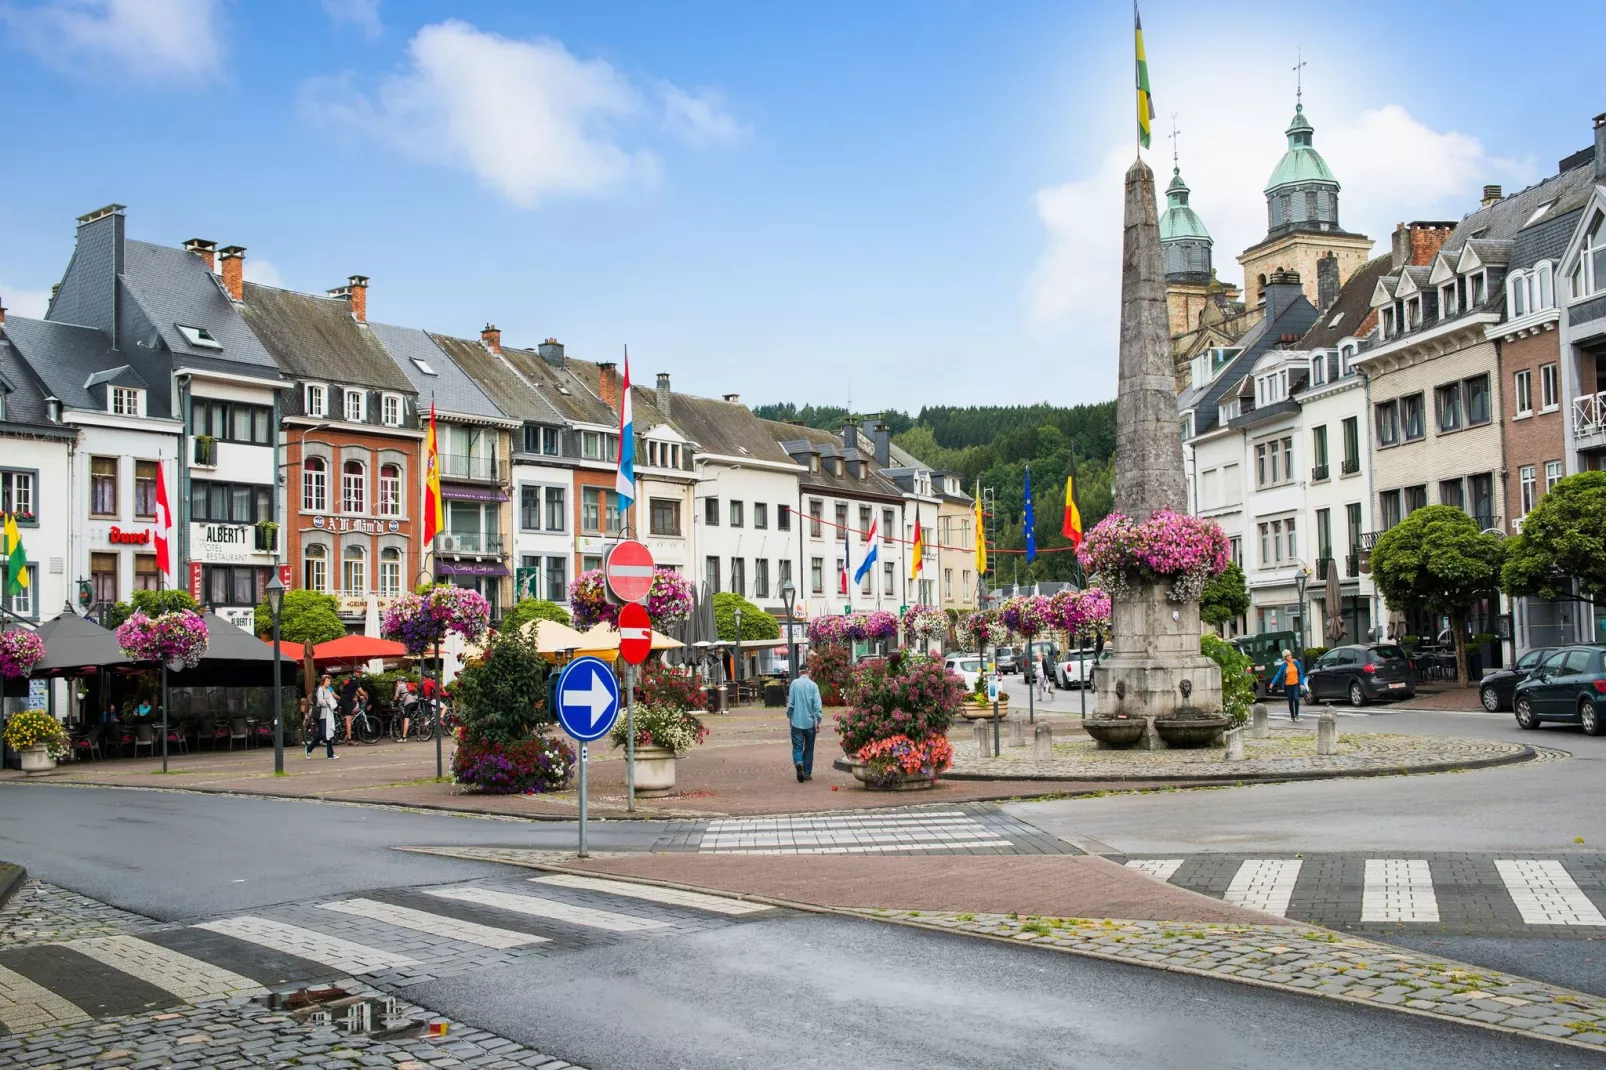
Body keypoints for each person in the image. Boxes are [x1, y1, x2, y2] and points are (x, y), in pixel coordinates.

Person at [785, 663, 823, 783]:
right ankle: (807, 773)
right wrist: (819, 720)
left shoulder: (794, 684)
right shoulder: (813, 685)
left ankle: (798, 762)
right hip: (810, 722)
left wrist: (789, 716)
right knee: (809, 748)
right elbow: (817, 705)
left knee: (797, 746)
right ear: (809, 672)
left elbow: (791, 704)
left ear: (799, 672)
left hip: (796, 721)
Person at [306, 674, 339, 759]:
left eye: (329, 680)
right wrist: (328, 703)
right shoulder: (320, 689)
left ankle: (330, 754)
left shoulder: (328, 690)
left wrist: (329, 702)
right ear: (323, 681)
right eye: (327, 680)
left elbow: (332, 700)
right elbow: (320, 701)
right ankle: (309, 748)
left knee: (328, 733)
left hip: (328, 714)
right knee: (322, 734)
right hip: (321, 715)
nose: (329, 682)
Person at [1280, 650, 1307, 721]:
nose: (1289, 657)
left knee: (1296, 698)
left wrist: (1301, 683)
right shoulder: (1284, 665)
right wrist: (1272, 683)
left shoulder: (1295, 662)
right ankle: (1292, 715)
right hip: (1288, 685)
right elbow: (1278, 674)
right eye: (1287, 656)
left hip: (1295, 684)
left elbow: (1300, 673)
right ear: (1285, 657)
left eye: (1290, 655)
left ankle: (1297, 714)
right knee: (1290, 701)